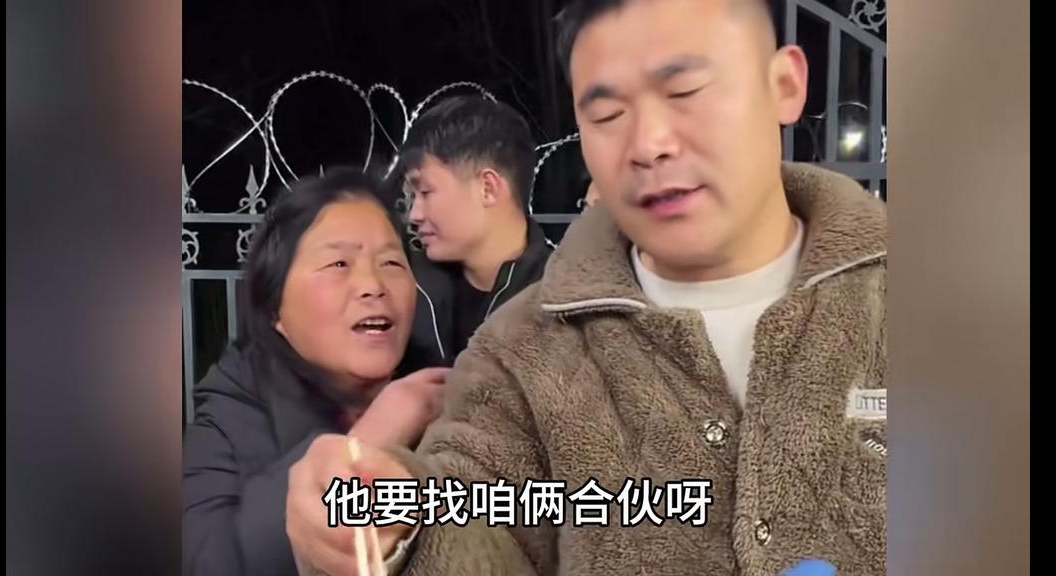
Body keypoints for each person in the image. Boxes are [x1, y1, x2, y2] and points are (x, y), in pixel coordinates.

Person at [288, 0, 888, 574]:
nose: (648, 144)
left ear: (784, 85)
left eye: (685, 92)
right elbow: (467, 517)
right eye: (606, 116)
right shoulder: (519, 356)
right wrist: (385, 522)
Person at [182, 168, 450, 576]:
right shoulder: (229, 410)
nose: (373, 285)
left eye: (391, 262)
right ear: (275, 309)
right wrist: (370, 439)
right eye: (339, 263)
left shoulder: (450, 394)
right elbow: (208, 562)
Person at [396, 96, 554, 367]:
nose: (415, 215)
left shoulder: (564, 299)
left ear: (487, 188)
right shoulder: (405, 288)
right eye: (413, 196)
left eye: (425, 191)